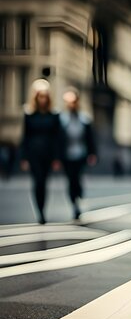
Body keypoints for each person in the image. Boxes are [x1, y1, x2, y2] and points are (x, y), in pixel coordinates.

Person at [20, 79, 62, 224]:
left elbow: (57, 137)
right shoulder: (29, 114)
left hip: (48, 154)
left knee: (44, 182)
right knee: (37, 182)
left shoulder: (54, 115)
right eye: (40, 96)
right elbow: (25, 136)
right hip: (33, 154)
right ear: (36, 97)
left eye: (45, 96)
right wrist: (24, 158)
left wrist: (57, 158)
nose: (43, 99)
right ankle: (40, 211)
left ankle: (42, 207)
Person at [59, 88, 97, 219]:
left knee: (77, 178)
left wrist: (92, 154)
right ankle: (74, 203)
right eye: (68, 102)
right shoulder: (62, 120)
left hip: (80, 154)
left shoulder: (84, 119)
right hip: (66, 155)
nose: (71, 104)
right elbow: (57, 140)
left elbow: (90, 138)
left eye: (73, 101)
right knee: (71, 179)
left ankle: (79, 192)